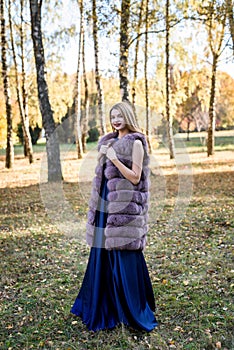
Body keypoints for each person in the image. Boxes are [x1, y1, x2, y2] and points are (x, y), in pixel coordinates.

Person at [71, 101, 157, 332]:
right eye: (113, 116)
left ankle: (129, 309)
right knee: (101, 256)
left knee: (123, 255)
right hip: (105, 207)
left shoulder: (135, 142)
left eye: (120, 115)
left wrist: (114, 158)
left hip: (123, 209)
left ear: (128, 117)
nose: (116, 120)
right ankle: (104, 305)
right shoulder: (108, 142)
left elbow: (135, 177)